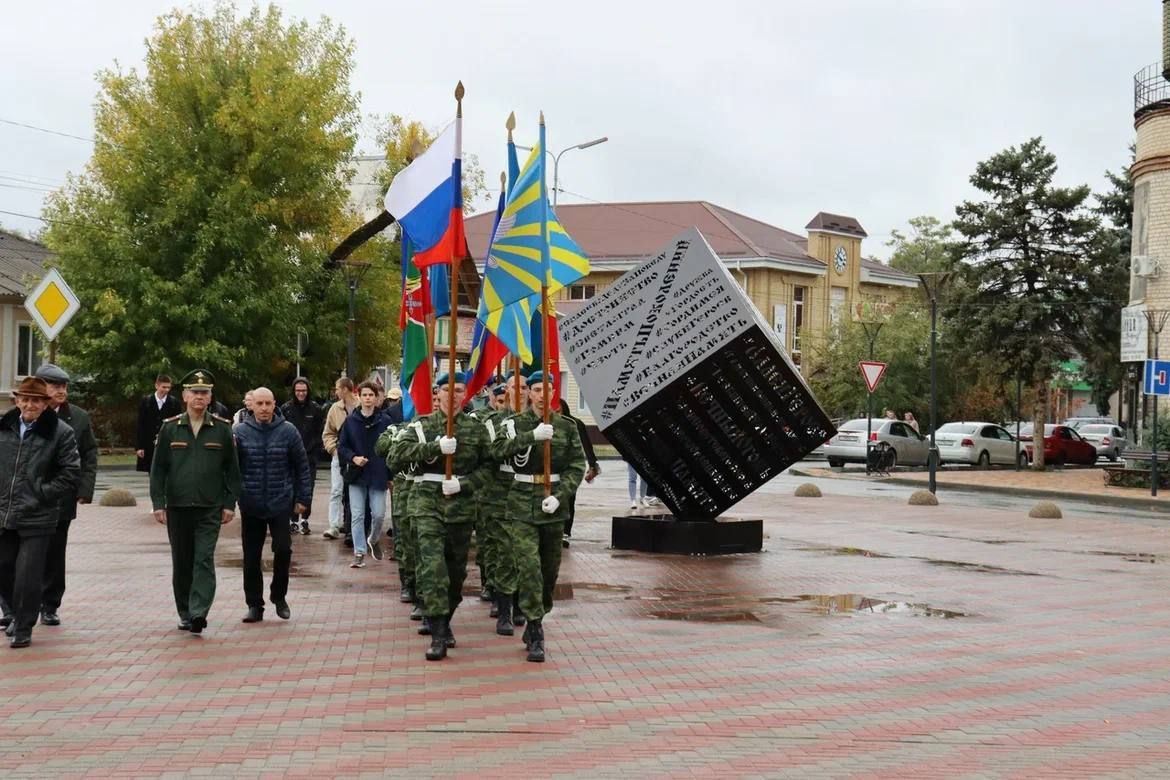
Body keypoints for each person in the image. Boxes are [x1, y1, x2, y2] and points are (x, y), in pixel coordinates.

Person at [389, 372, 494, 661]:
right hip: (427, 506)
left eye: (459, 390)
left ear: (465, 395)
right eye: (447, 390)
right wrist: (434, 447)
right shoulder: (422, 426)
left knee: (455, 573)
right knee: (433, 568)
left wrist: (464, 483)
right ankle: (436, 632)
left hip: (460, 507)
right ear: (437, 394)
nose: (453, 396)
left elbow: (490, 469)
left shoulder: (476, 430)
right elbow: (395, 457)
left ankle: (445, 618)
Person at [490, 371, 586, 662]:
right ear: (529, 394)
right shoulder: (515, 424)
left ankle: (538, 612)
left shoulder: (567, 427)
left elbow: (577, 465)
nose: (542, 395)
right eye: (536, 390)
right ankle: (535, 627)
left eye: (548, 389)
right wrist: (530, 436)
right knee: (529, 566)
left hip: (552, 504)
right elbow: (496, 451)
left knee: (549, 571)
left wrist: (560, 495)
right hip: (521, 503)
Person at [149, 370, 242, 635]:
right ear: (185, 396)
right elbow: (158, 470)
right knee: (182, 561)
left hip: (209, 507)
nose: (199, 397)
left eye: (204, 393)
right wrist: (158, 503)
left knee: (203, 558)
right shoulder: (170, 428)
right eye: (194, 392)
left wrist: (229, 504)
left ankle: (199, 612)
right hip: (178, 507)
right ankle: (185, 612)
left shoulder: (222, 429)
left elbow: (232, 472)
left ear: (210, 397)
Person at [0, 377, 80, 649]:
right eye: (25, 399)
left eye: (36, 400)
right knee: (4, 568)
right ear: (17, 400)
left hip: (38, 516)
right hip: (5, 512)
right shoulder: (4, 427)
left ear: (46, 404)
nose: (30, 404)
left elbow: (70, 473)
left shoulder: (61, 432)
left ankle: (23, 627)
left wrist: (42, 493)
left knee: (28, 574)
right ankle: (12, 613)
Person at [234, 387, 312, 623]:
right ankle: (254, 604)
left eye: (268, 403)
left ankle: (279, 596)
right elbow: (231, 470)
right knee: (251, 557)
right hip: (251, 503)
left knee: (283, 549)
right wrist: (234, 498)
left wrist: (302, 499)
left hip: (281, 501)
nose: (264, 408)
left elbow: (302, 467)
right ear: (252, 406)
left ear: (274, 404)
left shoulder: (288, 431)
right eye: (260, 404)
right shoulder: (240, 432)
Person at [34, 364, 98, 627]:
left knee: (54, 551)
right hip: (29, 494)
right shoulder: (28, 411)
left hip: (62, 495)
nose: (61, 390)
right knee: (21, 552)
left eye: (63, 386)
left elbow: (90, 452)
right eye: (55, 385)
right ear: (42, 387)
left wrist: (85, 489)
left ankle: (49, 605)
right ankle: (16, 604)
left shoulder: (79, 417)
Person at [338, 381, 393, 568]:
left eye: (371, 395)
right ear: (359, 397)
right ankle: (359, 552)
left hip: (378, 474)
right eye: (365, 395)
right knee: (357, 514)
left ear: (377, 398)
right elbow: (342, 446)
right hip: (356, 474)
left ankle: (374, 539)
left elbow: (392, 448)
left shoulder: (385, 422)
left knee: (378, 514)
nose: (368, 398)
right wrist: (353, 458)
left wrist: (390, 475)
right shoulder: (351, 421)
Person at [281, 378, 324, 536]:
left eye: (303, 391)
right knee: (291, 489)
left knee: (307, 489)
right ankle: (293, 521)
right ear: (293, 391)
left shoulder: (316, 409)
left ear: (308, 391)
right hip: (289, 457)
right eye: (298, 390)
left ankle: (305, 519)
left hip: (309, 456)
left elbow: (320, 433)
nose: (301, 393)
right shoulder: (286, 409)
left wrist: (312, 448)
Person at [559, 398, 598, 546]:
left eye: (558, 410)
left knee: (569, 500)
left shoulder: (575, 423)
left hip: (571, 469)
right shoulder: (546, 423)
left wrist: (592, 465)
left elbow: (587, 445)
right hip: (554, 470)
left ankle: (566, 533)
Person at [321, 378, 356, 540]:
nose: (335, 392)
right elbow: (328, 433)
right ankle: (333, 525)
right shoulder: (335, 409)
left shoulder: (360, 406)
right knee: (336, 490)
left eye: (337, 389)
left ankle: (354, 524)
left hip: (357, 456)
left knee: (355, 491)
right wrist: (333, 449)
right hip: (339, 455)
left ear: (345, 389)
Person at [136, 373, 181, 472]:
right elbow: (140, 425)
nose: (166, 390)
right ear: (156, 385)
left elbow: (178, 426)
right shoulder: (146, 402)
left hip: (168, 444)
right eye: (163, 387)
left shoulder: (174, 403)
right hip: (149, 445)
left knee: (168, 472)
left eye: (168, 387)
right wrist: (140, 447)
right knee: (151, 472)